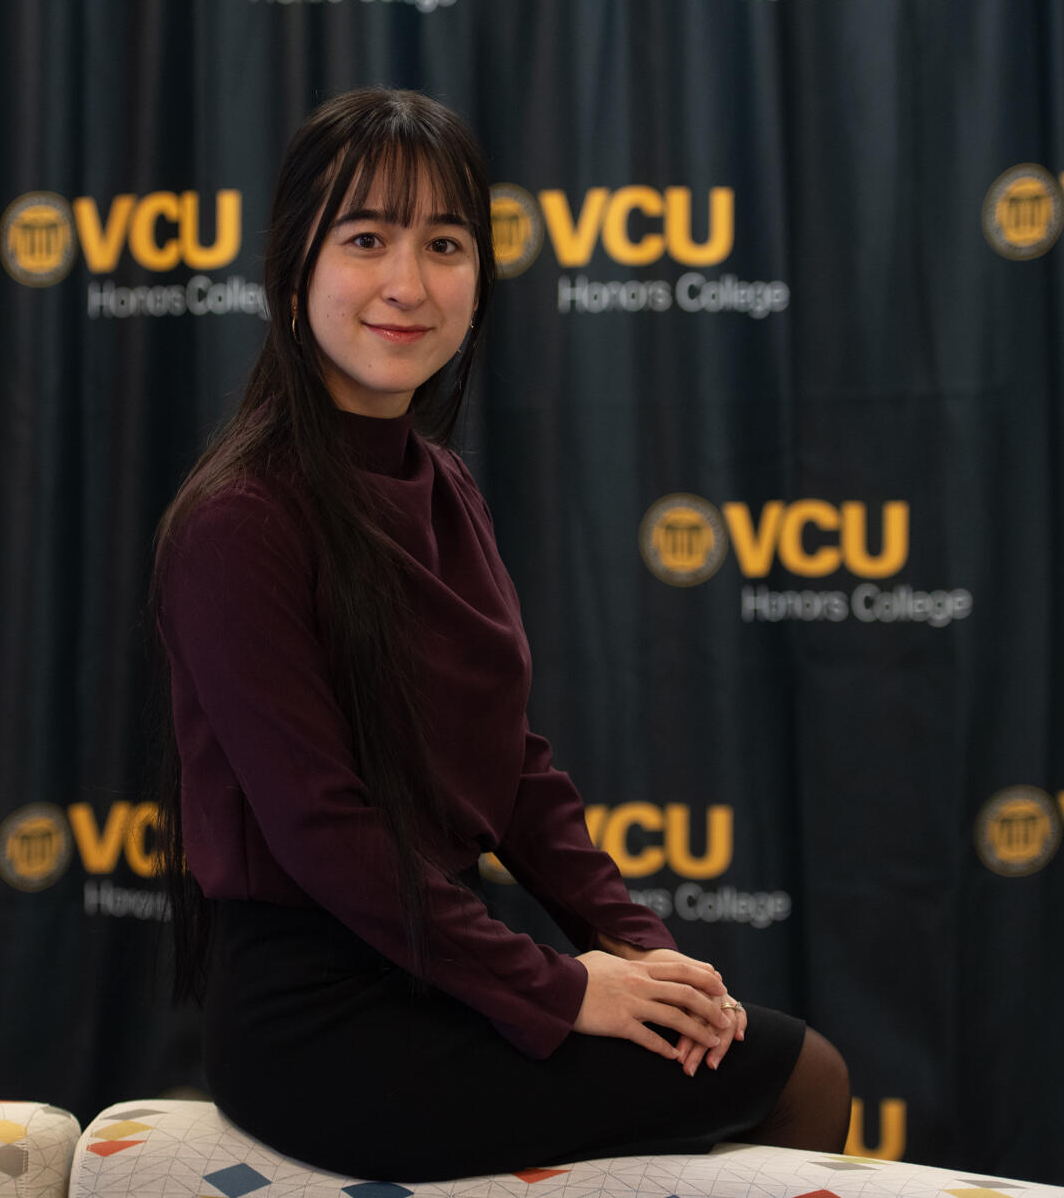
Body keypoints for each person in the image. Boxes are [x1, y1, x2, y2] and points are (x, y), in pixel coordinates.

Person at [150, 87, 848, 1183]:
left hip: (439, 966)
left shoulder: (445, 490)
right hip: (319, 1026)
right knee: (805, 1079)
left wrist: (642, 950)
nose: (407, 283)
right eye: (366, 238)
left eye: (444, 243)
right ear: (293, 273)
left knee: (751, 1048)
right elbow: (327, 832)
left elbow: (514, 773)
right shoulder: (240, 524)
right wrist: (565, 986)